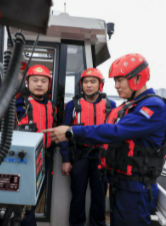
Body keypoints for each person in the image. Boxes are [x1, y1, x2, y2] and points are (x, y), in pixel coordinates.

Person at [43, 53, 166, 225]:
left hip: (135, 187)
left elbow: (116, 131)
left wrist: (71, 131)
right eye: (115, 81)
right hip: (121, 183)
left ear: (138, 78)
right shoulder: (131, 106)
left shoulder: (153, 107)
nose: (116, 86)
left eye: (120, 80)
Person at [60, 68, 116, 226]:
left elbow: (116, 134)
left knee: (99, 197)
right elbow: (64, 133)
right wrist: (65, 159)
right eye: (85, 82)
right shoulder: (72, 105)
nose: (89, 85)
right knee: (78, 196)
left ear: (100, 85)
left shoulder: (110, 105)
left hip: (101, 158)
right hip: (79, 156)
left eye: (93, 82)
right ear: (81, 85)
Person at [16, 65, 56, 226]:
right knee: (25, 202)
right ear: (27, 83)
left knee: (36, 196)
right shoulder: (20, 103)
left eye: (43, 81)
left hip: (45, 157)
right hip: (24, 160)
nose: (39, 84)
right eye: (35, 80)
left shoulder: (51, 105)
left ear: (49, 84)